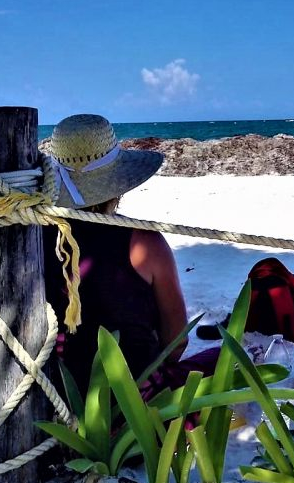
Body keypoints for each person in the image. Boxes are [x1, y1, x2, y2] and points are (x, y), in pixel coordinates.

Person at [42, 114, 191, 393]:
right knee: (217, 359)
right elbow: (176, 341)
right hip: (133, 401)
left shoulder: (31, 239)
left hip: (57, 393)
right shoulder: (145, 243)